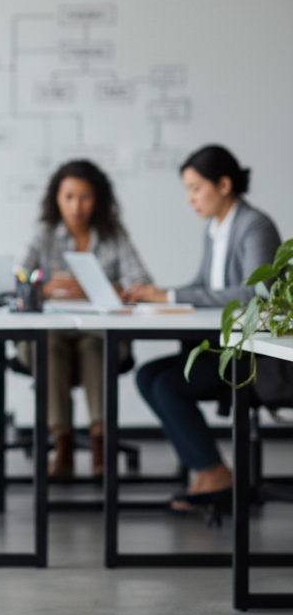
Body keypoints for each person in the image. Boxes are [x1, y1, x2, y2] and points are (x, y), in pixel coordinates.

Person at [123, 145, 281, 512]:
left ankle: (214, 470)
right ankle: (205, 467)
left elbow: (255, 293)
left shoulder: (254, 225)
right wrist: (156, 297)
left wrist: (170, 295)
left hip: (252, 354)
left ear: (223, 185)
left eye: (196, 188)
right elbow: (203, 284)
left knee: (165, 383)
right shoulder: (216, 228)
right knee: (148, 376)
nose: (191, 199)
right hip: (222, 343)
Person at [18, 160, 151, 478]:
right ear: (57, 199)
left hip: (98, 333)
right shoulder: (44, 234)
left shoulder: (113, 235)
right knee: (48, 347)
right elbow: (18, 283)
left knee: (95, 348)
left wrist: (99, 288)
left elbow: (142, 284)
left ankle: (100, 440)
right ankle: (61, 442)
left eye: (85, 197)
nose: (76, 206)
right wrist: (45, 287)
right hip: (52, 333)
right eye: (68, 197)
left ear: (99, 199)